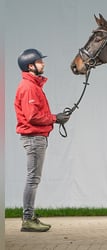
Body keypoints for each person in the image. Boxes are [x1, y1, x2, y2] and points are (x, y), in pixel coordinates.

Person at [14, 48, 70, 232]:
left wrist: (56, 117)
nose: (43, 64)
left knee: (33, 179)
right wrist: (55, 118)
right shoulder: (29, 87)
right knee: (33, 179)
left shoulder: (32, 86)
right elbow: (32, 116)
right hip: (34, 138)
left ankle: (29, 217)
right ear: (30, 66)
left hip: (35, 138)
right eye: (39, 61)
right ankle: (27, 219)